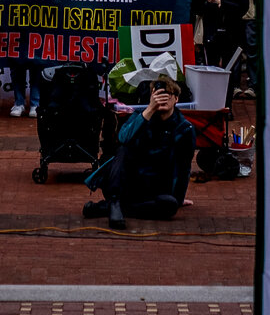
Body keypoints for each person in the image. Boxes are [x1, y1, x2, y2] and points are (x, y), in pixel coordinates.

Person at [83, 73, 195, 226]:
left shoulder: (184, 128)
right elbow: (123, 137)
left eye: (167, 94)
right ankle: (114, 201)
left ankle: (109, 207)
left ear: (176, 99)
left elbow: (184, 167)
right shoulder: (142, 115)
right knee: (123, 149)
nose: (162, 99)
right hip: (129, 182)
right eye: (157, 94)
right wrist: (149, 109)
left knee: (169, 206)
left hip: (155, 187)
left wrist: (178, 198)